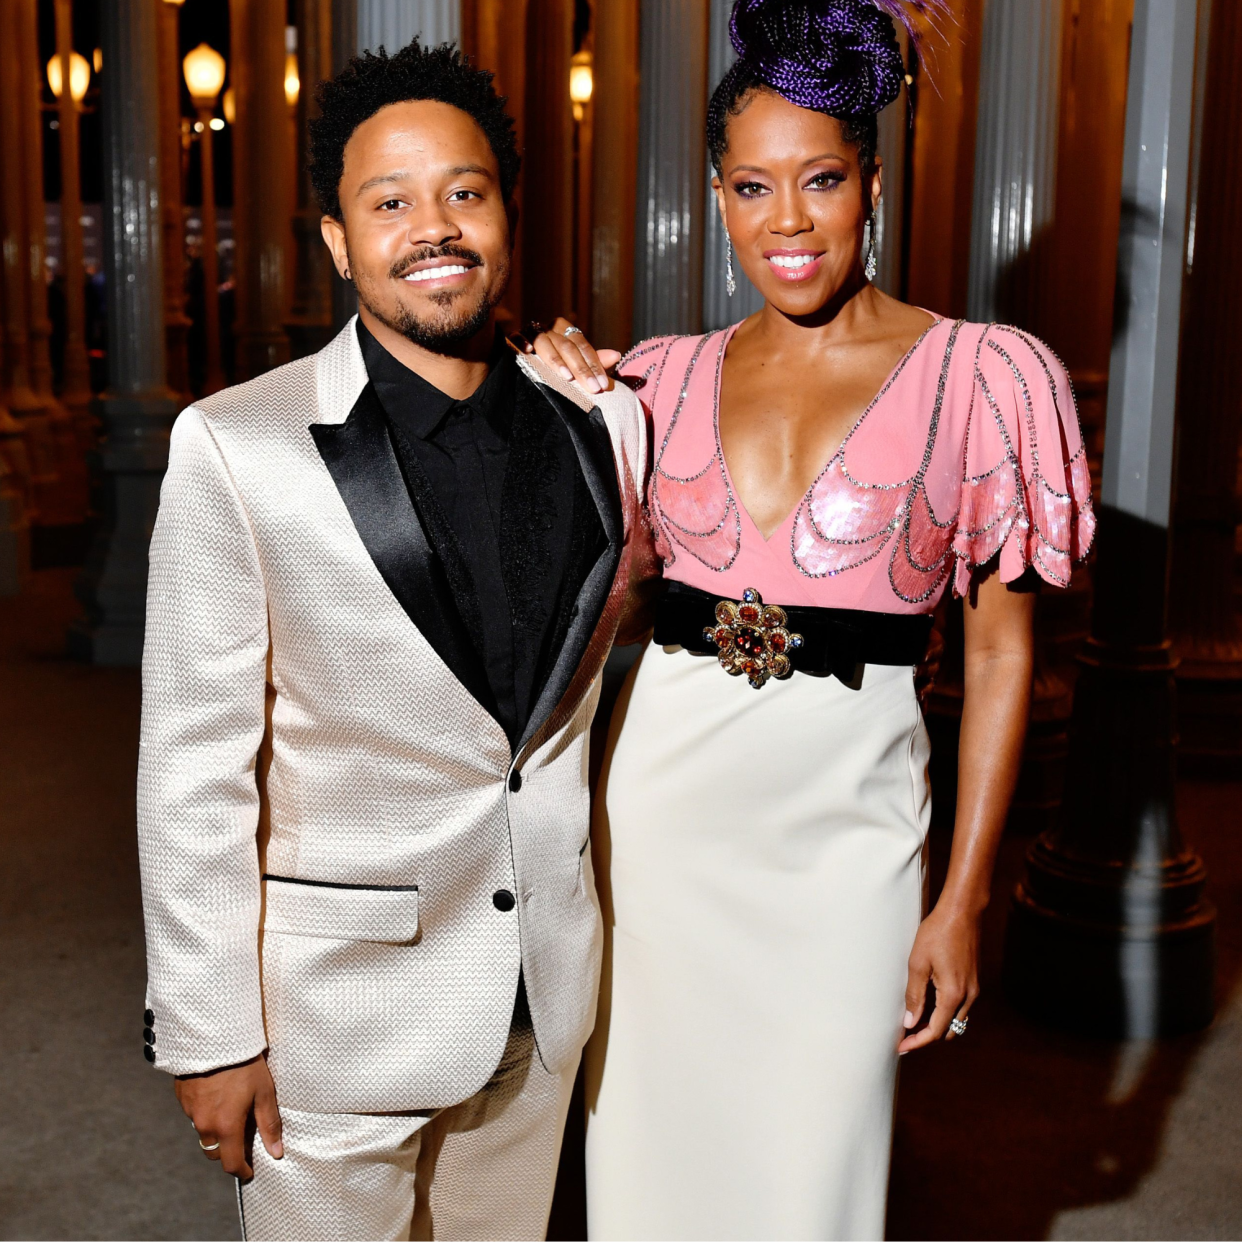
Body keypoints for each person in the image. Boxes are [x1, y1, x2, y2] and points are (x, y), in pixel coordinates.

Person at [530, 0, 1095, 1236]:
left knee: (813, 1192)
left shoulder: (982, 380)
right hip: (665, 836)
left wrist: (961, 900)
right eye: (751, 187)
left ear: (872, 182)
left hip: (850, 850)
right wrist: (556, 404)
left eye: (821, 180)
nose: (785, 222)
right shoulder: (657, 380)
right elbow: (578, 597)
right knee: (650, 1184)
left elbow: (1001, 656)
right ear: (718, 195)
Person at [136, 41, 647, 1242]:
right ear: (335, 238)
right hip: (332, 1027)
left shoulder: (600, 423)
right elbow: (192, 771)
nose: (435, 226)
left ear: (507, 214)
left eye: (465, 192)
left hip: (540, 1002)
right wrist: (209, 1034)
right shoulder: (234, 446)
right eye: (391, 200)